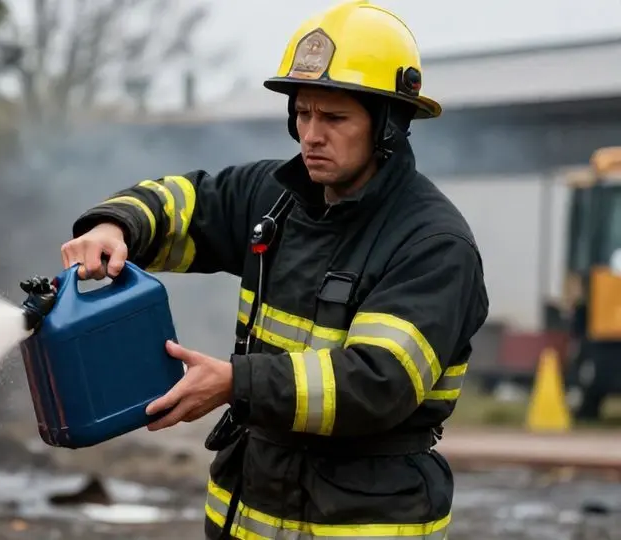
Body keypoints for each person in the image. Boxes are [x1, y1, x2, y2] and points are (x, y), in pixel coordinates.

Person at [60, 1, 489, 538]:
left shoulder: (432, 244)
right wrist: (115, 226)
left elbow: (378, 382)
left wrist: (236, 382)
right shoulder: (275, 199)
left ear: (389, 127)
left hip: (365, 517)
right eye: (303, 114)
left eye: (334, 118)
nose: (311, 134)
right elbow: (188, 203)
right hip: (250, 508)